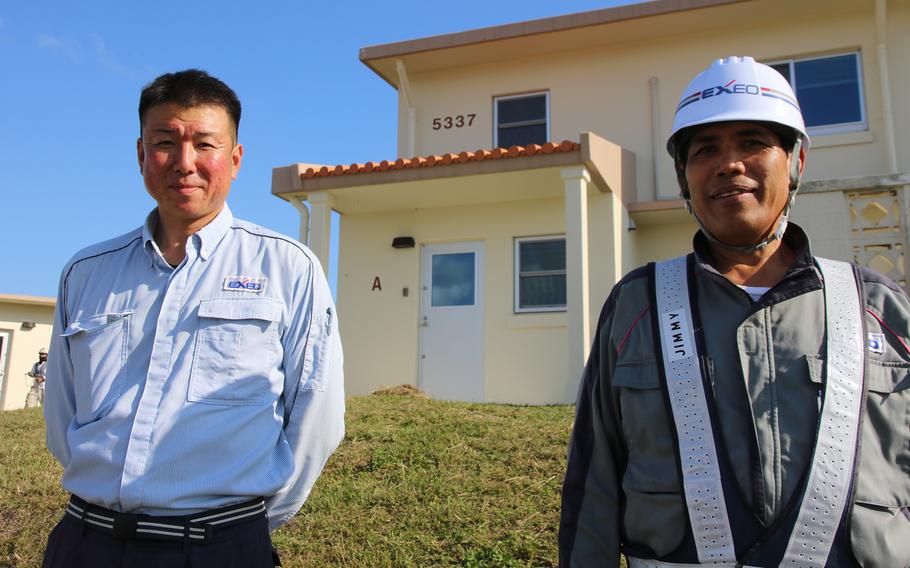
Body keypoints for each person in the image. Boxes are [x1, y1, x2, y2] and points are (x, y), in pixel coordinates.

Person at [559, 56, 910, 567]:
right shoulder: (638, 304)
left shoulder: (880, 307)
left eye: (752, 142)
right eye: (706, 149)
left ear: (796, 162)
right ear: (683, 174)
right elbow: (592, 486)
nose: (729, 164)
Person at [43, 69, 344, 567]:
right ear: (141, 154)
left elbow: (316, 418)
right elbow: (62, 417)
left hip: (219, 549)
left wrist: (239, 530)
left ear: (235, 158)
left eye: (205, 144)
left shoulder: (289, 268)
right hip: (84, 544)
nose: (185, 163)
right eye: (165, 143)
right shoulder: (85, 272)